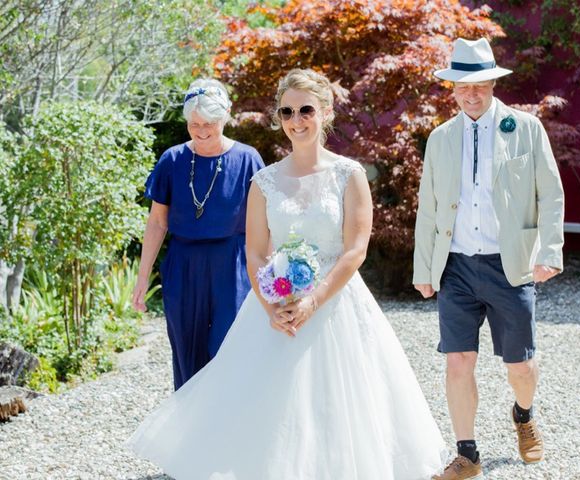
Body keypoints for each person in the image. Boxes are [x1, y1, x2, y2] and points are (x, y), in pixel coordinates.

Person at [127, 68, 447, 479]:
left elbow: (355, 249)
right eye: (287, 111)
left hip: (337, 306)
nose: (297, 120)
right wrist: (271, 304)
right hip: (276, 306)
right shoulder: (264, 181)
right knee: (268, 407)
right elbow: (256, 251)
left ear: (326, 111)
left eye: (306, 110)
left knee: (341, 403)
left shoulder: (349, 175)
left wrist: (315, 298)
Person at [413, 38, 564, 479]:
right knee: (458, 360)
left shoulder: (525, 128)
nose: (471, 93)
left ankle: (523, 413)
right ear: (453, 88)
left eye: (480, 84)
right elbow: (428, 205)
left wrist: (550, 251)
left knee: (520, 365)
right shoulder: (440, 139)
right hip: (456, 265)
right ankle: (468, 454)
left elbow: (550, 194)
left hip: (509, 263)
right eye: (463, 85)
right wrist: (425, 268)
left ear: (494, 83)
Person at [132, 79, 265, 390]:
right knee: (186, 352)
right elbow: (157, 223)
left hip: (232, 264)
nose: (202, 132)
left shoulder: (248, 160)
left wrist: (270, 277)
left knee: (229, 348)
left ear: (226, 117)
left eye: (209, 124)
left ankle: (229, 425)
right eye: (194, 125)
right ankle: (190, 433)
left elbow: (264, 224)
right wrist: (142, 277)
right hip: (183, 263)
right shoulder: (172, 160)